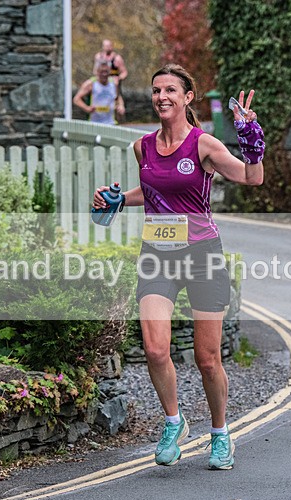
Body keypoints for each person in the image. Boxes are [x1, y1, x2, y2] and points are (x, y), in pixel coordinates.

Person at [92, 64, 265, 470]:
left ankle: (221, 434)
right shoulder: (143, 147)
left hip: (202, 255)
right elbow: (154, 190)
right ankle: (174, 422)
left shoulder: (204, 145)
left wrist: (250, 138)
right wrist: (117, 200)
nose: (161, 97)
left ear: (188, 98)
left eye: (171, 90)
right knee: (154, 348)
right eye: (156, 91)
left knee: (207, 359)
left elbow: (252, 178)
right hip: (157, 255)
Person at [73, 60, 125, 125]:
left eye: (106, 72)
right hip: (94, 122)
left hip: (110, 122)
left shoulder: (113, 84)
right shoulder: (91, 84)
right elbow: (76, 99)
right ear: (97, 72)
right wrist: (87, 108)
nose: (104, 74)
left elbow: (118, 97)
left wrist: (121, 105)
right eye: (102, 72)